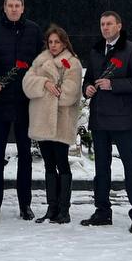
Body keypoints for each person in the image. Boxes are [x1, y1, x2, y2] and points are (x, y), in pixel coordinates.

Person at [0, 0, 44, 220]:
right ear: (4, 8)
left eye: (18, 5)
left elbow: (41, 61)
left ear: (23, 8)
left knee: (25, 154)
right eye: (10, 5)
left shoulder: (34, 30)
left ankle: (25, 204)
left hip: (25, 102)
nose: (14, 9)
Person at [80, 11, 132, 233]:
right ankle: (102, 211)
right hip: (100, 120)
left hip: (124, 120)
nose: (105, 28)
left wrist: (114, 85)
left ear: (119, 26)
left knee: (131, 168)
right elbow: (90, 78)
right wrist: (87, 88)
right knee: (101, 168)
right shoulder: (97, 50)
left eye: (109, 24)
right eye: (102, 24)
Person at [22, 25, 82, 224]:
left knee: (62, 164)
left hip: (61, 121)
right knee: (49, 166)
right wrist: (45, 84)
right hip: (42, 121)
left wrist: (49, 87)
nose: (54, 45)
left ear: (64, 43)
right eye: (51, 42)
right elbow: (27, 83)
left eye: (57, 42)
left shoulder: (72, 63)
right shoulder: (41, 60)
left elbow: (69, 94)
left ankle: (64, 210)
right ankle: (51, 208)